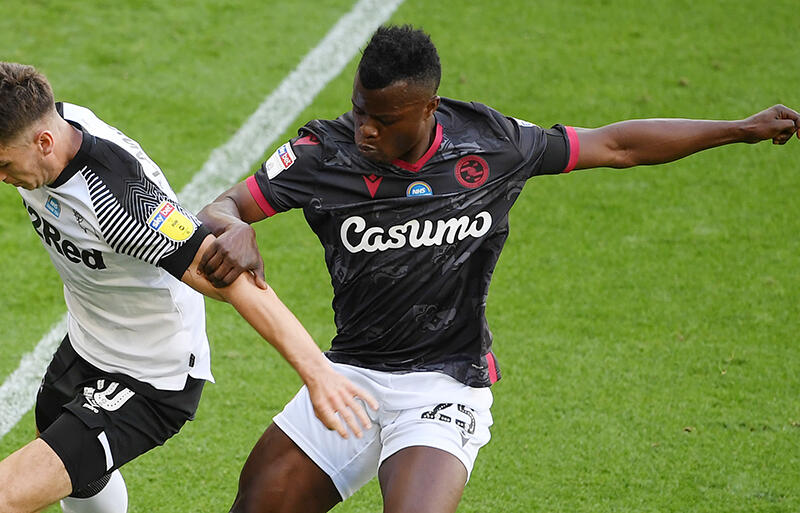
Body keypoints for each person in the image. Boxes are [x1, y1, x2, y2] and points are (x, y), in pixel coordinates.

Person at [197, 25, 799, 513]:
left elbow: (617, 146)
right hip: (349, 374)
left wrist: (739, 130)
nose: (367, 129)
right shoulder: (323, 155)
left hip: (444, 385)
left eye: (385, 118)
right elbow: (219, 207)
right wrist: (234, 226)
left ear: (429, 108)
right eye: (360, 111)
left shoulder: (491, 144)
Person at [0, 62, 377, 513]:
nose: (1, 176)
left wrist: (318, 374)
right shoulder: (41, 126)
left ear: (44, 142)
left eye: (4, 164)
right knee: (77, 477)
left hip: (150, 376)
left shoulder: (118, 201)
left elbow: (234, 283)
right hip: (88, 342)